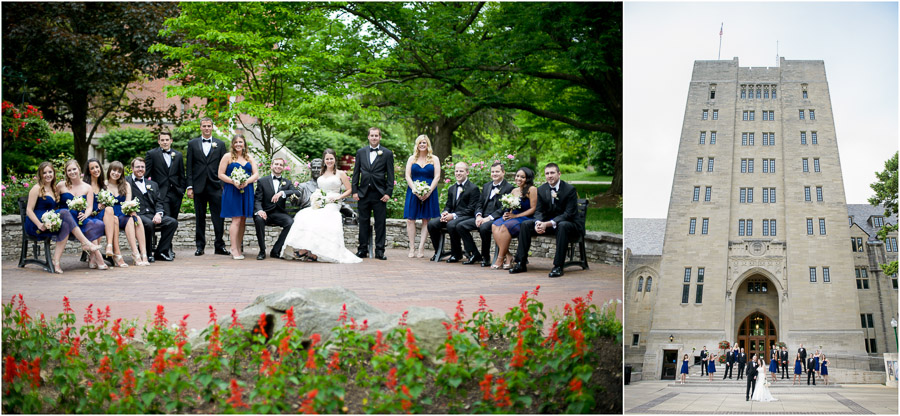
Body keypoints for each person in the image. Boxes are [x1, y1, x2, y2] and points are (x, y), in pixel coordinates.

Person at [282, 149, 362, 264]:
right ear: (324, 160)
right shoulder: (321, 173)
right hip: (321, 201)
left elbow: (350, 189)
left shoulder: (340, 173)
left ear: (335, 159)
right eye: (327, 159)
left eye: (331, 158)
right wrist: (316, 198)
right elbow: (318, 189)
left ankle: (310, 251)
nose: (329, 161)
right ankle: (309, 250)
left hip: (333, 203)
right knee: (303, 215)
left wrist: (338, 197)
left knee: (323, 217)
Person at [24, 161, 103, 274]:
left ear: (54, 173)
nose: (48, 175)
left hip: (49, 221)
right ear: (40, 174)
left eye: (50, 172)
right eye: (44, 173)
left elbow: (56, 207)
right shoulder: (36, 188)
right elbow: (28, 210)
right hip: (36, 224)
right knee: (65, 212)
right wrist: (39, 224)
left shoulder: (53, 188)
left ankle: (56, 262)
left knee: (65, 225)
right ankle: (85, 243)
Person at [509, 163, 583, 278]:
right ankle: (521, 263)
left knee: (562, 225)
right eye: (547, 173)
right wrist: (538, 222)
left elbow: (569, 214)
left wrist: (547, 223)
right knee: (525, 224)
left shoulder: (569, 190)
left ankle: (558, 266)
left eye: (552, 173)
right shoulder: (542, 189)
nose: (549, 176)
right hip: (548, 224)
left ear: (559, 174)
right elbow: (539, 211)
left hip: (570, 225)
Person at [186, 117, 228, 256]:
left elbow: (225, 166)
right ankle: (200, 246)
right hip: (198, 186)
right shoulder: (192, 144)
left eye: (209, 126)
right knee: (200, 217)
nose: (206, 128)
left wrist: (223, 185)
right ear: (200, 127)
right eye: (204, 126)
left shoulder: (220, 144)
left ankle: (219, 245)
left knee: (219, 217)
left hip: (216, 186)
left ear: (212, 127)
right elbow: (190, 167)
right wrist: (189, 186)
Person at [458, 162, 514, 267]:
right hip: (483, 217)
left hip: (496, 218)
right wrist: (478, 215)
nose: (494, 174)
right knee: (461, 226)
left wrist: (488, 218)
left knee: (484, 228)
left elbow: (504, 208)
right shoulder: (487, 186)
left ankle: (486, 257)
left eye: (497, 171)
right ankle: (474, 254)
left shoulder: (509, 188)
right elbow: (479, 203)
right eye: (493, 172)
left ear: (503, 172)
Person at [351, 127, 394, 260]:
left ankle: (380, 251)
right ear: (368, 137)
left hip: (380, 194)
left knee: (380, 223)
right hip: (363, 193)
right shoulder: (361, 152)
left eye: (376, 135)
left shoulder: (387, 153)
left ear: (380, 137)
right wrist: (354, 191)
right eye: (372, 135)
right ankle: (362, 249)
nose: (374, 138)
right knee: (363, 222)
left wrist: (388, 192)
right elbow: (356, 173)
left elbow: (391, 175)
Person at [58, 159, 108, 270]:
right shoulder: (61, 186)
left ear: (79, 170)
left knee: (93, 223)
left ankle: (92, 257)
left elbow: (89, 207)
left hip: (80, 218)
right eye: (69, 170)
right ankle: (98, 257)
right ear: (66, 172)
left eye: (74, 169)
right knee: (89, 224)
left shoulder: (87, 187)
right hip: (66, 220)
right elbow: (54, 202)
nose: (72, 172)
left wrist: (85, 215)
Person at [127, 157, 178, 262]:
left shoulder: (153, 184)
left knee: (172, 222)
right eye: (137, 167)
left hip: (151, 214)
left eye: (142, 167)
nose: (140, 169)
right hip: (136, 215)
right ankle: (147, 253)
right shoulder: (126, 182)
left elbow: (159, 201)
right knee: (148, 224)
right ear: (132, 168)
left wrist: (159, 214)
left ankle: (160, 251)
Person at [427, 162, 480, 262]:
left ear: (467, 172)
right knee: (432, 224)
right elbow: (448, 205)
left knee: (451, 224)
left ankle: (457, 253)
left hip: (467, 216)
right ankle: (438, 251)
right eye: (456, 171)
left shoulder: (473, 188)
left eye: (461, 171)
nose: (458, 173)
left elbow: (471, 209)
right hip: (452, 216)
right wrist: (445, 213)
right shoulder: (452, 188)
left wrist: (453, 215)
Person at [217, 134, 258, 260]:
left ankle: (239, 247)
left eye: (241, 142)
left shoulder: (249, 157)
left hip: (247, 190)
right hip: (232, 190)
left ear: (244, 143)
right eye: (236, 142)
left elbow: (256, 174)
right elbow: (220, 174)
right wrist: (233, 181)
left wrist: (247, 181)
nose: (238, 144)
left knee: (243, 220)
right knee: (236, 219)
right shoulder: (227, 157)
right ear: (233, 144)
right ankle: (233, 248)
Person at [253, 158, 300, 260]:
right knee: (258, 220)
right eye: (276, 164)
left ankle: (276, 250)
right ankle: (262, 251)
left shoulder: (287, 182)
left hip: (279, 213)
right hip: (265, 213)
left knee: (290, 222)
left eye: (281, 165)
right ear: (271, 166)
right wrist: (260, 210)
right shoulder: (262, 181)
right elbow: (257, 199)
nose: (278, 166)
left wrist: (282, 193)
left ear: (283, 168)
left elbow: (297, 192)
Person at [490, 167, 537, 269]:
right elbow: (511, 208)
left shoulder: (532, 189)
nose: (518, 178)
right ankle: (508, 255)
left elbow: (533, 209)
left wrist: (516, 216)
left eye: (522, 177)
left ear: (528, 178)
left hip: (525, 218)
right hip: (513, 216)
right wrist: (507, 215)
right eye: (517, 176)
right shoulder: (514, 190)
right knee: (494, 225)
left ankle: (500, 258)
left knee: (504, 227)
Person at [403, 135, 441, 258]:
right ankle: (412, 247)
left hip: (430, 191)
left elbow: (437, 176)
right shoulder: (412, 159)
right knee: (410, 219)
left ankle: (421, 248)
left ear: (428, 144)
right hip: (413, 191)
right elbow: (408, 176)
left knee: (426, 219)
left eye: (424, 142)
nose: (422, 145)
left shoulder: (434, 159)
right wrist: (414, 189)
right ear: (417, 145)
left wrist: (429, 191)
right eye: (420, 143)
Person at [84, 158, 126, 267]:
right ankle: (99, 255)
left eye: (97, 167)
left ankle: (109, 247)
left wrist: (102, 206)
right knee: (113, 219)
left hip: (100, 214)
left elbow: (106, 204)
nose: (95, 170)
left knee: (110, 210)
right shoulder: (85, 185)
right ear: (88, 171)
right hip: (89, 215)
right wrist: (97, 210)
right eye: (92, 168)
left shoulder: (103, 185)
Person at [107, 161, 150, 266]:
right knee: (131, 220)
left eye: (119, 171)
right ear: (109, 171)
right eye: (114, 170)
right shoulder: (104, 184)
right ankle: (135, 253)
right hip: (111, 215)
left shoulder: (125, 185)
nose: (116, 173)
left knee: (136, 219)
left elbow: (127, 202)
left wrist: (131, 209)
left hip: (123, 213)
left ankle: (143, 254)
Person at [145, 130, 186, 221]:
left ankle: (168, 236)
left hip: (176, 193)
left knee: (174, 220)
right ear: (159, 141)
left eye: (167, 140)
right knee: (167, 220)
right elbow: (146, 175)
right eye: (162, 140)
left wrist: (182, 191)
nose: (165, 142)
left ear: (171, 141)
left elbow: (181, 174)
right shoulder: (152, 154)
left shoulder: (178, 155)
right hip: (160, 193)